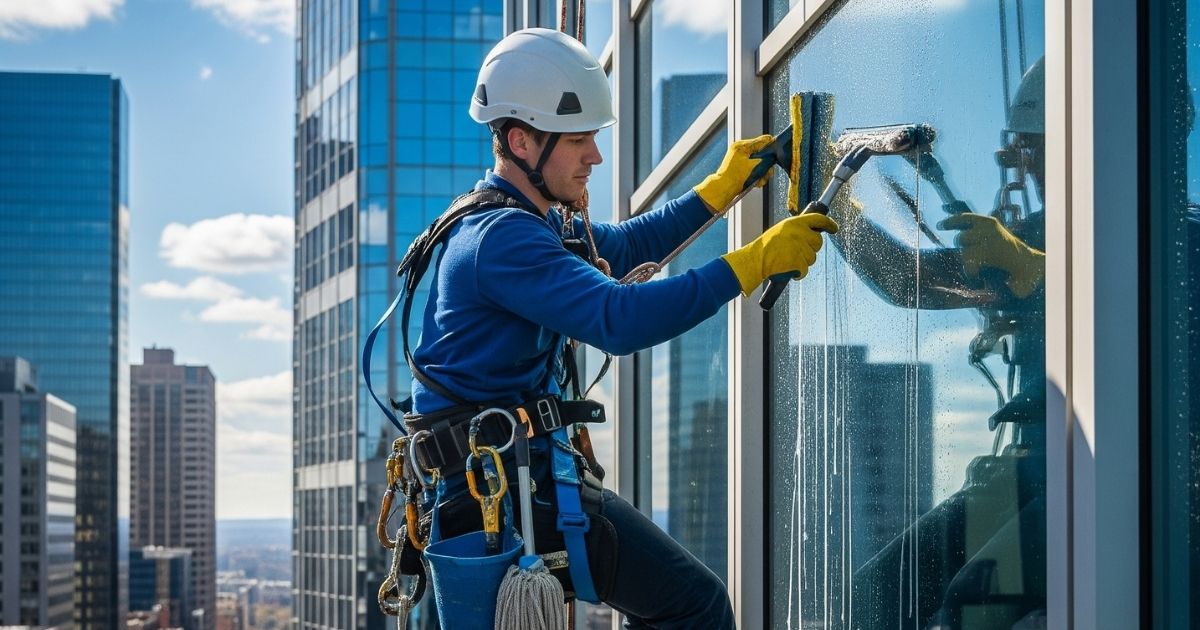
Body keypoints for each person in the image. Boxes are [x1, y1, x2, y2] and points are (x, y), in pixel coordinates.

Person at [401, 27, 837, 628]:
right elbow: (619, 318)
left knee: (676, 605)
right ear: (521, 141)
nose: (595, 158)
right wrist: (753, 261)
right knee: (696, 606)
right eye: (579, 141)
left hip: (507, 483)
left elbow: (626, 244)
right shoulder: (500, 240)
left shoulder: (530, 224)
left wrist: (720, 189)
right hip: (504, 491)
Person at [828, 59, 1048, 628]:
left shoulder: (1174, 232)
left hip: (1113, 473)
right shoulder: (1045, 234)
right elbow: (908, 279)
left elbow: (1150, 301)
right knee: (874, 598)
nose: (1028, 163)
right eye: (1027, 148)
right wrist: (836, 217)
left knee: (970, 603)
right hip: (1034, 472)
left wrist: (1039, 273)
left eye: (1038, 147)